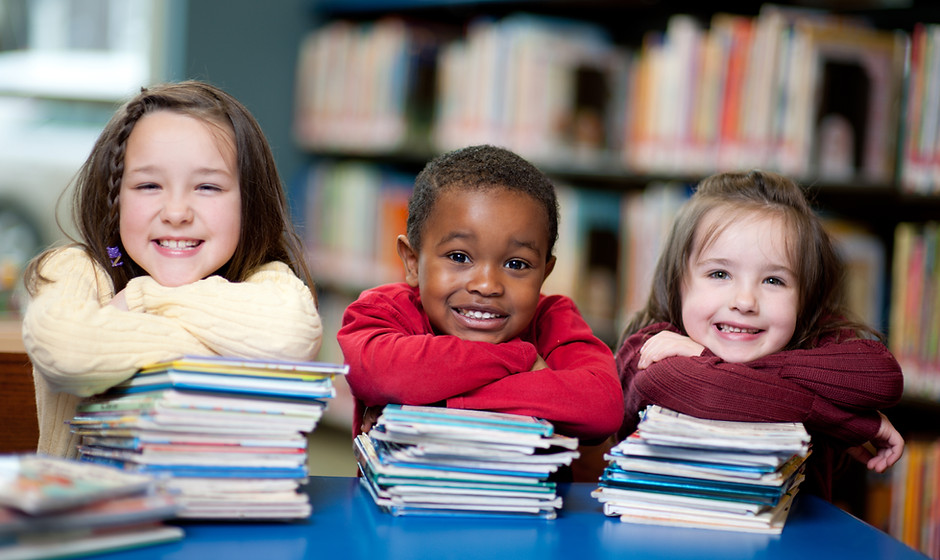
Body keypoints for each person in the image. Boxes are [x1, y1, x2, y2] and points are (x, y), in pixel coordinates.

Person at [22, 81, 323, 459]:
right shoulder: (76, 268)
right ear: (114, 199)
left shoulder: (266, 279)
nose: (177, 213)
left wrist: (141, 298)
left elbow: (291, 336)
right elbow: (63, 349)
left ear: (249, 201)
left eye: (208, 187)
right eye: (149, 185)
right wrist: (224, 352)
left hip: (224, 511)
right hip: (89, 515)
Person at [616, 169, 904, 500]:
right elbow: (709, 393)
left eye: (773, 281)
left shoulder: (808, 335)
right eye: (719, 273)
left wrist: (703, 358)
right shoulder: (649, 347)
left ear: (805, 297)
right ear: (678, 282)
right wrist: (841, 420)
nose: (745, 302)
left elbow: (882, 378)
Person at [337, 145, 624, 456]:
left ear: (544, 272)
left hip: (523, 505)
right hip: (402, 504)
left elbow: (602, 406)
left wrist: (423, 402)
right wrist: (518, 359)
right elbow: (379, 374)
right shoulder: (384, 309)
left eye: (517, 264)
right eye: (459, 257)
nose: (487, 286)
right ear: (411, 262)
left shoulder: (552, 318)